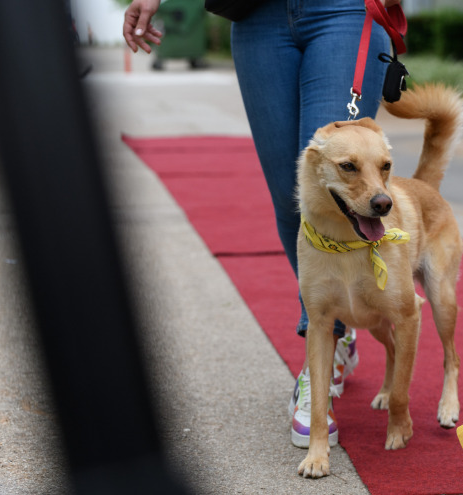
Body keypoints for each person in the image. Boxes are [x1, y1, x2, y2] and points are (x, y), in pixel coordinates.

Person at [123, 0, 400, 448]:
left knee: (339, 190)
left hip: (343, 12)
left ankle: (322, 347)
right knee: (292, 200)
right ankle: (337, 331)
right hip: (255, 14)